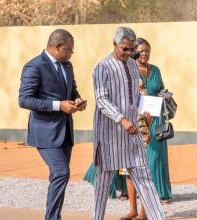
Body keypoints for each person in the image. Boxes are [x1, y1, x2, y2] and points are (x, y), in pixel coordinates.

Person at [92, 26, 164, 220]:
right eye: (124, 49)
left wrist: (144, 114)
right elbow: (101, 99)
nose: (128, 53)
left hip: (133, 132)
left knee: (144, 177)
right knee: (103, 182)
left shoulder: (132, 65)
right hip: (109, 134)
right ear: (114, 44)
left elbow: (136, 96)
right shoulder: (103, 67)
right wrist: (121, 119)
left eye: (131, 49)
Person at [18, 29, 87, 220]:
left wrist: (78, 100)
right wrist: (59, 105)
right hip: (45, 133)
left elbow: (72, 90)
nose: (72, 53)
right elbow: (24, 100)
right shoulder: (34, 66)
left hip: (65, 132)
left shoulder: (67, 66)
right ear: (57, 47)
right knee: (61, 172)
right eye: (70, 49)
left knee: (58, 177)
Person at [121, 37, 172, 220]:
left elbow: (160, 89)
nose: (145, 54)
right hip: (134, 122)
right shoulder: (127, 70)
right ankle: (133, 209)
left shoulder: (155, 69)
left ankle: (145, 211)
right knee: (130, 166)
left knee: (150, 165)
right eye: (141, 50)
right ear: (134, 51)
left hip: (155, 120)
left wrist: (165, 96)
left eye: (147, 51)